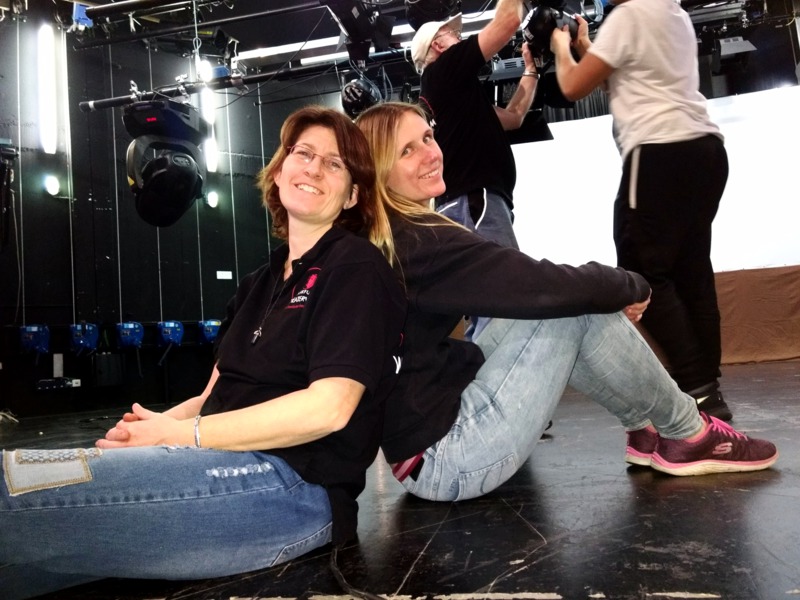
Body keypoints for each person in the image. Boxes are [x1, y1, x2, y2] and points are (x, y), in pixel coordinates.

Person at [0, 106, 406, 599]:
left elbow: (330, 408)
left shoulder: (356, 267)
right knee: (19, 561)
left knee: (9, 492)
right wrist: (151, 429)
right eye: (303, 153)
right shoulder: (258, 283)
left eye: (335, 163)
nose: (315, 168)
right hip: (214, 458)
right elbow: (212, 397)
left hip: (292, 488)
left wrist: (178, 435)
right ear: (279, 171)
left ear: (353, 195)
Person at [355, 101, 777, 504]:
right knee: (566, 306)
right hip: (449, 460)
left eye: (428, 138)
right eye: (407, 150)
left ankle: (649, 429)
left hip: (423, 450)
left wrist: (604, 292)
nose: (430, 154)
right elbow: (539, 284)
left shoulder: (394, 237)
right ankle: (689, 433)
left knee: (567, 303)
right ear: (378, 169)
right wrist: (631, 284)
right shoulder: (419, 242)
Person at [549, 1, 733, 420]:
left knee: (641, 269)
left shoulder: (628, 15)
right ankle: (706, 389)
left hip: (659, 151)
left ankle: (697, 387)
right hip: (705, 150)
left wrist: (561, 48)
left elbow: (573, 86)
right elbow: (618, 77)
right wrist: (586, 45)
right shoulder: (673, 13)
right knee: (691, 272)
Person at [410, 0, 538, 338]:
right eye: (453, 34)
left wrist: (531, 69)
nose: (460, 38)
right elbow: (507, 21)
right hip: (473, 202)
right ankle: (497, 371)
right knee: (505, 300)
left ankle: (483, 366)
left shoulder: (452, 94)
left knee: (489, 305)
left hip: (470, 203)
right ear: (438, 46)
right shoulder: (443, 71)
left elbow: (514, 117)